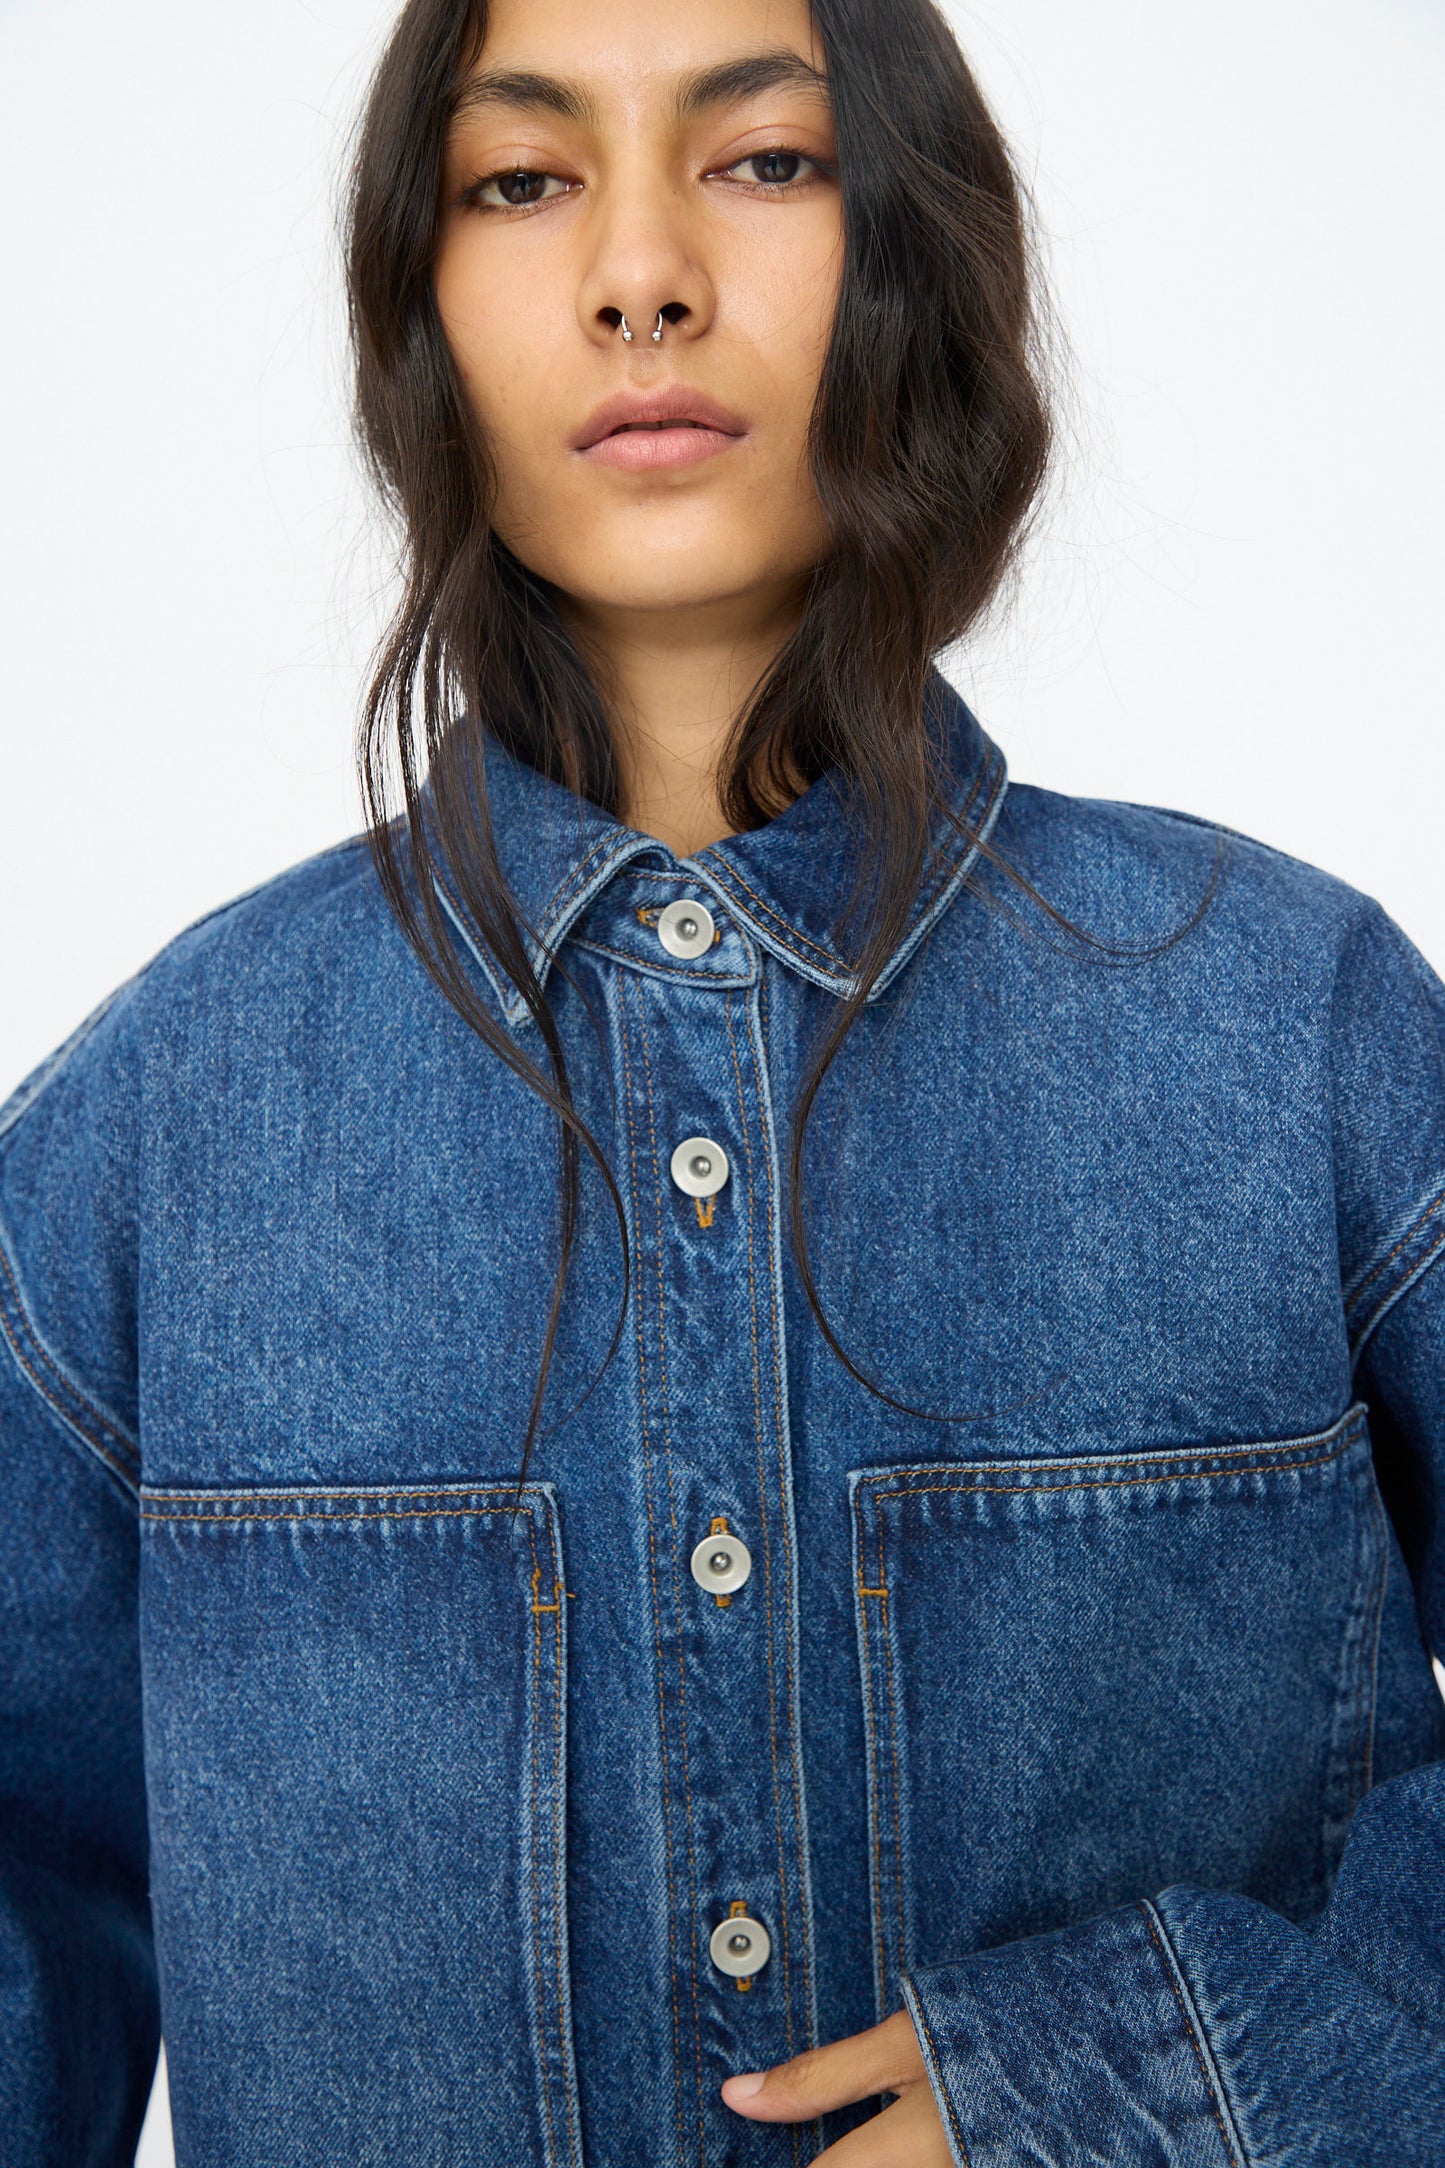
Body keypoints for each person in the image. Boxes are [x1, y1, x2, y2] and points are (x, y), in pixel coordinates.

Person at [2, 0, 1442, 2160]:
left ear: (915, 251)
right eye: (522, 177)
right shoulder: (157, 1136)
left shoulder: (1296, 1028)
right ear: (422, 301)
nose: (642, 271)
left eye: (764, 160)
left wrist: (1173, 2078)